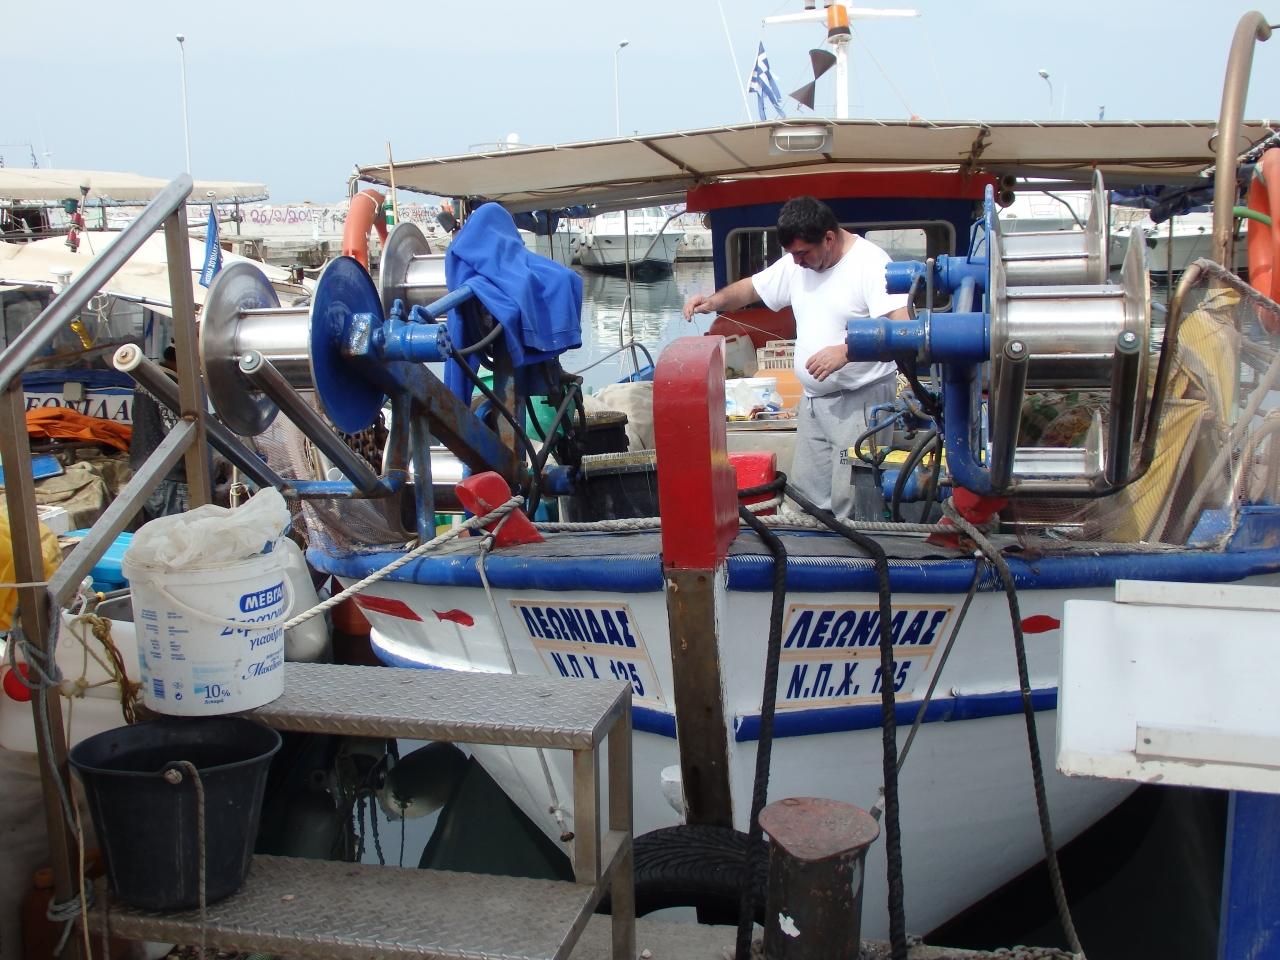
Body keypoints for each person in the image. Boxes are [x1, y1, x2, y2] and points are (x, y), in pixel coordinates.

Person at [683, 195, 909, 519]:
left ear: (828, 238)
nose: (797, 262)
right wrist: (713, 302)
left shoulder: (870, 263)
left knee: (853, 503)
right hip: (814, 403)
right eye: (792, 254)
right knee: (806, 501)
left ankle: (857, 549)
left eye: (802, 253)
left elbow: (901, 327)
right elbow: (752, 288)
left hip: (861, 400)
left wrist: (847, 351)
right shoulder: (796, 263)